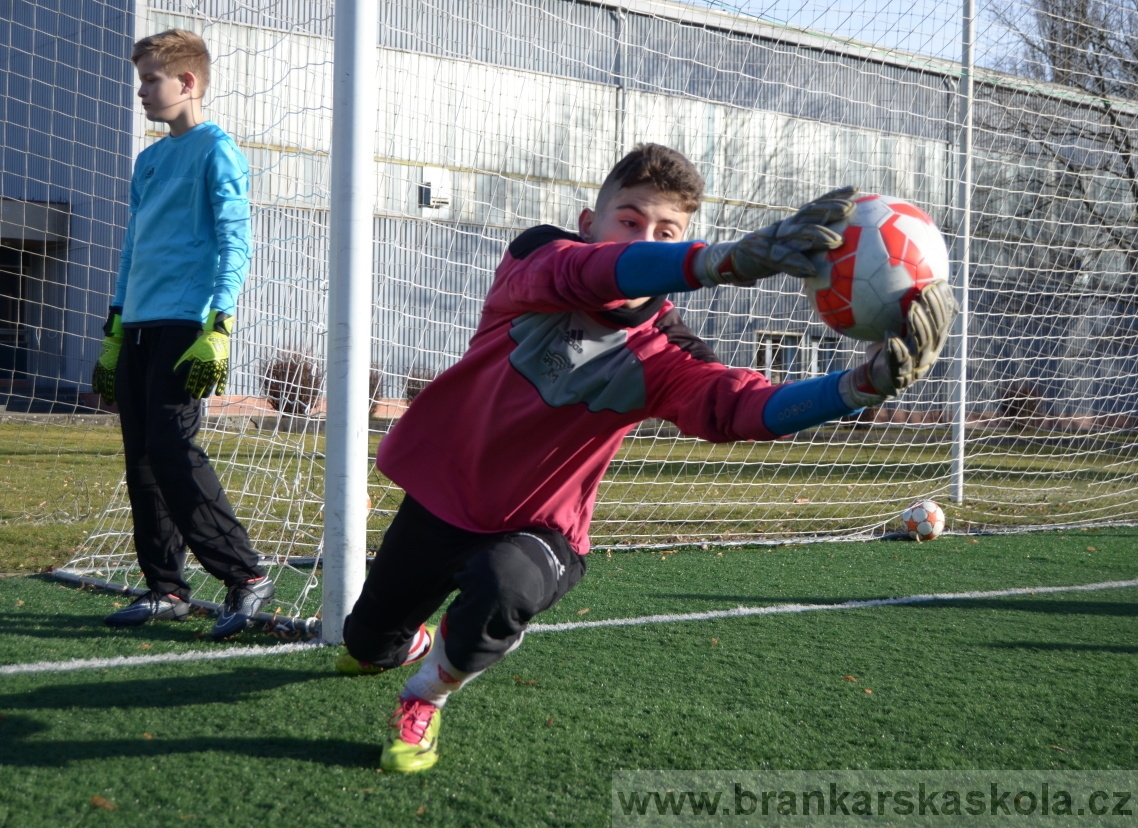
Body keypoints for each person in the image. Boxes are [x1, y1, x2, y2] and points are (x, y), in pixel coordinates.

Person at [336, 144, 958, 772]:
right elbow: (592, 273)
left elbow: (736, 407)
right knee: (361, 647)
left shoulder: (665, 352)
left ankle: (425, 697)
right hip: (443, 499)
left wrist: (858, 389)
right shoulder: (538, 258)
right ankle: (401, 643)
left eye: (668, 232)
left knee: (504, 585)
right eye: (629, 221)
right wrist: (720, 261)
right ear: (589, 225)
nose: (647, 238)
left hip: (539, 528)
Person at [91, 29, 274, 640]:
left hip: (186, 327)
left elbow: (235, 242)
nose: (142, 91)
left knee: (174, 451)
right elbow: (132, 248)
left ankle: (245, 576)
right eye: (141, 79)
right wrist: (115, 327)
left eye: (150, 79)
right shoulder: (148, 160)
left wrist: (219, 324)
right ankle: (165, 587)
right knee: (141, 458)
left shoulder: (216, 150)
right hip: (139, 326)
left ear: (187, 82)